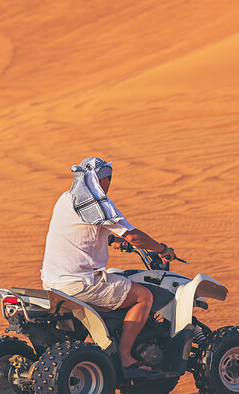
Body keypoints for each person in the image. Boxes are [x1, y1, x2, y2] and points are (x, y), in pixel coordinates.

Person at [41, 157, 176, 376]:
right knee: (143, 297)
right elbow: (134, 237)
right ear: (100, 179)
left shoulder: (67, 199)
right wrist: (161, 249)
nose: (109, 183)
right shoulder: (98, 203)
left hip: (53, 282)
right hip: (81, 283)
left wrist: (112, 241)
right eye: (108, 178)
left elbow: (80, 232)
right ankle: (124, 356)